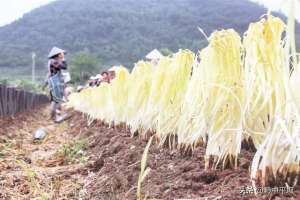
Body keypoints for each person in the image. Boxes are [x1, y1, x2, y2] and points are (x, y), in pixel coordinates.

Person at [47, 47, 68, 122]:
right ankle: (54, 118)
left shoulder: (53, 61)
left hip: (56, 81)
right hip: (55, 82)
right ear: (58, 55)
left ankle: (54, 116)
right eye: (61, 54)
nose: (62, 55)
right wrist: (63, 59)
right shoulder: (54, 61)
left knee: (56, 99)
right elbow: (64, 66)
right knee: (56, 100)